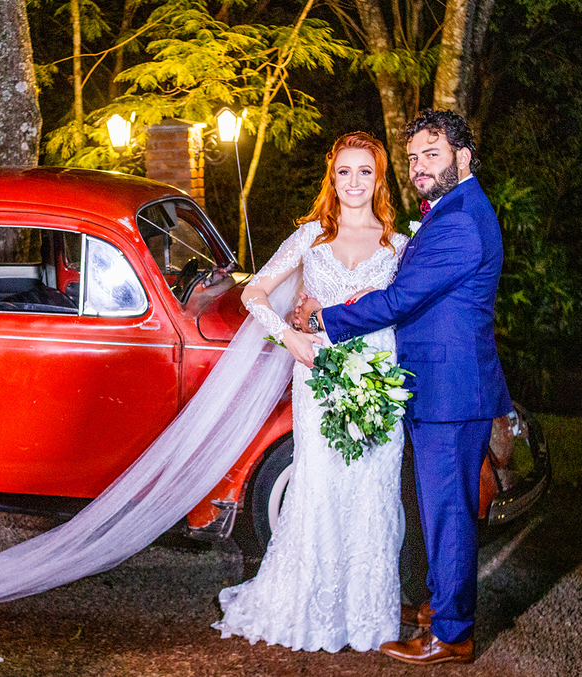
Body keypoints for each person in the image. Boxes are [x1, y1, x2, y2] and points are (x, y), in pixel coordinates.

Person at [296, 109, 511, 665]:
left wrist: (325, 318)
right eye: (413, 158)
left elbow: (399, 300)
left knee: (449, 515)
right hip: (443, 387)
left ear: (463, 157)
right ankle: (441, 608)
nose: (418, 167)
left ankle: (452, 634)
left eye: (431, 155)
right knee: (441, 510)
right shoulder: (455, 210)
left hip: (449, 391)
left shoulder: (460, 221)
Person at [212, 131, 408, 652]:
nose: (354, 182)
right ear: (332, 179)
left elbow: (407, 308)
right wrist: (289, 335)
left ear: (379, 179)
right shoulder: (310, 238)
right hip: (318, 376)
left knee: (372, 489)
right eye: (344, 171)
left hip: (379, 378)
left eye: (364, 171)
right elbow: (254, 291)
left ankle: (367, 616)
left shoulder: (398, 246)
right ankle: (309, 611)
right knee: (319, 485)